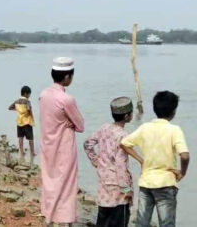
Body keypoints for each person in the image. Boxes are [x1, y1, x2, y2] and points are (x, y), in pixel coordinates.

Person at [121, 91, 190, 227]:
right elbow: (185, 155)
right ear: (174, 111)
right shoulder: (174, 130)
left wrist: (141, 160)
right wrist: (183, 172)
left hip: (146, 182)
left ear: (155, 109)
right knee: (166, 223)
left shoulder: (145, 128)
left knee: (142, 223)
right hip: (166, 182)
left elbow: (124, 143)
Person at [38, 57, 84, 226]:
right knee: (67, 184)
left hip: (47, 144)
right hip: (64, 147)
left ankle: (49, 216)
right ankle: (65, 220)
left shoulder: (43, 94)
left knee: (50, 181)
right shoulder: (67, 99)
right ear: (67, 77)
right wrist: (68, 122)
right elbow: (80, 126)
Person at [84, 97, 134, 227]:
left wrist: (95, 160)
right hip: (118, 187)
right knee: (119, 220)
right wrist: (126, 189)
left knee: (103, 219)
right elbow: (120, 164)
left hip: (104, 181)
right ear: (127, 116)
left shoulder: (104, 128)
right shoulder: (123, 136)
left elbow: (87, 144)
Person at [8, 85, 36, 159]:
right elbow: (29, 108)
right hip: (27, 121)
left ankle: (22, 151)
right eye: (29, 94)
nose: (29, 96)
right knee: (31, 138)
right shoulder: (27, 101)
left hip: (19, 122)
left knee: (20, 137)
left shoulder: (17, 101)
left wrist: (17, 109)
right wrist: (29, 111)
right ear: (26, 94)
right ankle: (32, 152)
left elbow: (10, 107)